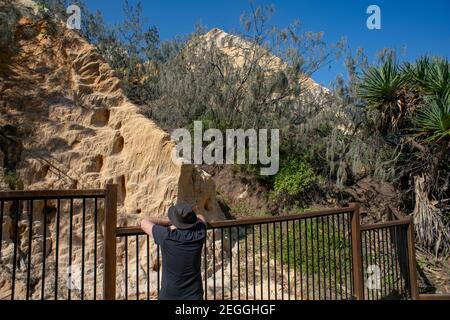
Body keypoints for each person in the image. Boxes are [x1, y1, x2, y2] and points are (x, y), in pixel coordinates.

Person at [140, 201, 206, 300]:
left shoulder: (167, 236)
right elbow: (200, 217)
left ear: (176, 222)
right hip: (194, 295)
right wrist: (184, 220)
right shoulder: (200, 233)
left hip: (169, 295)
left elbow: (144, 222)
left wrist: (170, 222)